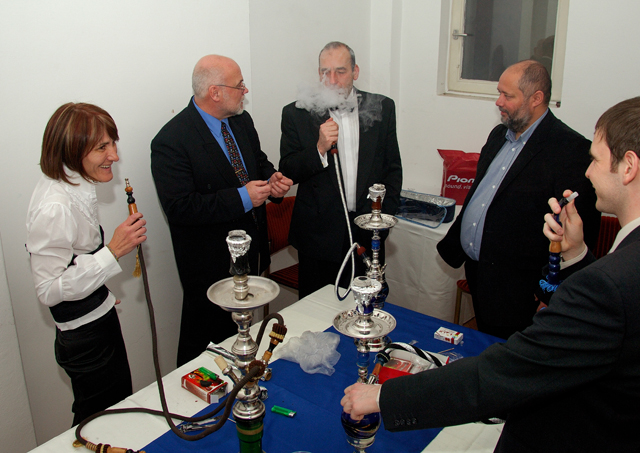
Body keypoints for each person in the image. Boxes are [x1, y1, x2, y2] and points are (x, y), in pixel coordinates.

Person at [341, 96, 640, 452]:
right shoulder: (615, 274)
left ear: (628, 166)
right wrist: (576, 255)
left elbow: (511, 372)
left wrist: (384, 397)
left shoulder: (606, 284)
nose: (588, 172)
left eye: (596, 160)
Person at [437, 59, 600, 339]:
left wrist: (551, 289)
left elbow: (580, 233)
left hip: (521, 290)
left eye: (508, 95)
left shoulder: (571, 150)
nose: (498, 102)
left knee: (511, 357)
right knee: (485, 345)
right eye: (499, 93)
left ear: (536, 98)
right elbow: (484, 194)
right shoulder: (499, 135)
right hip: (481, 273)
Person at [151, 55, 293, 366]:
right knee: (206, 352)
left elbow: (258, 162)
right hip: (209, 268)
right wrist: (243, 197)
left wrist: (273, 180)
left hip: (250, 255)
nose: (245, 90)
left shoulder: (241, 121)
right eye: (239, 85)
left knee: (243, 342)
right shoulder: (171, 140)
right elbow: (180, 208)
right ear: (215, 92)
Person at [26, 103, 147, 425]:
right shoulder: (55, 206)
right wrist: (114, 250)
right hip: (86, 341)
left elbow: (74, 260)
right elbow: (49, 290)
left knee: (115, 410)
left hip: (97, 322)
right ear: (72, 150)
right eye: (102, 147)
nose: (114, 156)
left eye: (113, 144)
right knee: (98, 422)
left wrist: (100, 295)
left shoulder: (76, 185)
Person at [279, 41, 402, 298]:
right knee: (316, 311)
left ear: (355, 71)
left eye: (341, 71)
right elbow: (288, 170)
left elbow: (392, 169)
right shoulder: (296, 113)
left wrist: (381, 221)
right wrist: (319, 149)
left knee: (364, 308)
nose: (332, 80)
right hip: (318, 238)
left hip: (367, 233)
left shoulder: (382, 107)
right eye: (325, 72)